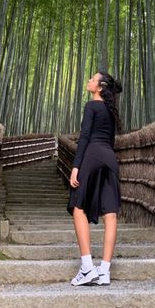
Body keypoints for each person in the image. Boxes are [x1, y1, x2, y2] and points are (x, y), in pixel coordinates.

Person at [67, 71, 122, 286]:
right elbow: (110, 140)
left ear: (99, 87)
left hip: (91, 155)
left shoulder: (91, 106)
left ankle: (88, 268)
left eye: (92, 79)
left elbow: (85, 137)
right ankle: (105, 270)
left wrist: (75, 166)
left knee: (77, 205)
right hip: (109, 157)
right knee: (110, 213)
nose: (88, 80)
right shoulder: (111, 111)